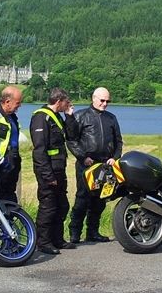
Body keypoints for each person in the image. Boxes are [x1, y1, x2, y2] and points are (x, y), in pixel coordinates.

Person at [67, 87, 122, 244]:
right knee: (82, 199)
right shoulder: (80, 116)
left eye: (107, 101)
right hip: (86, 164)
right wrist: (83, 157)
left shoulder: (111, 118)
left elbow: (119, 141)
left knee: (99, 200)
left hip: (106, 165)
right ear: (93, 98)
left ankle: (93, 232)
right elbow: (71, 140)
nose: (105, 104)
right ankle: (74, 233)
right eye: (102, 100)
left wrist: (115, 158)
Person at [30, 88, 77, 255]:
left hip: (59, 168)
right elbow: (39, 150)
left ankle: (57, 239)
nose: (69, 104)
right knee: (48, 206)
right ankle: (43, 242)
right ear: (59, 102)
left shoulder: (57, 116)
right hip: (47, 170)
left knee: (62, 205)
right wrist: (47, 175)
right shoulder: (41, 118)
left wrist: (70, 116)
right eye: (67, 102)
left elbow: (71, 135)